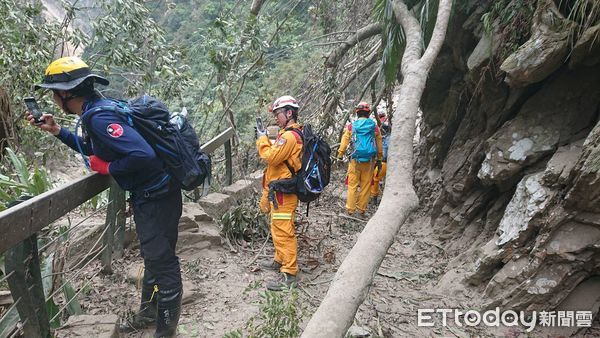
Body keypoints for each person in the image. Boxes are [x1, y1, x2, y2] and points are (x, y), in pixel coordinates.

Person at [25, 56, 182, 338]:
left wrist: (108, 168)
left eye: (52, 93)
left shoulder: (99, 117)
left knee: (163, 263)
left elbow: (142, 155)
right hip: (159, 194)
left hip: (156, 198)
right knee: (155, 257)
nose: (52, 99)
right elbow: (91, 150)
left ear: (64, 92)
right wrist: (58, 131)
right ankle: (149, 312)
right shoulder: (98, 109)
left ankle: (165, 332)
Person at [256, 95, 303, 291]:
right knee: (277, 227)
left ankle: (289, 274)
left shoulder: (289, 137)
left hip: (284, 192)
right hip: (279, 191)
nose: (276, 117)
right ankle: (279, 259)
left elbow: (271, 157)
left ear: (289, 113)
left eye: (278, 113)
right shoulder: (287, 134)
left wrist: (262, 139)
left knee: (284, 231)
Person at [336, 102, 383, 218]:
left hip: (355, 160)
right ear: (368, 113)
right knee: (366, 186)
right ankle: (361, 210)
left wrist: (340, 155)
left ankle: (350, 210)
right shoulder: (374, 126)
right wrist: (379, 158)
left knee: (352, 185)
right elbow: (379, 144)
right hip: (369, 161)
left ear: (357, 113)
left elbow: (345, 141)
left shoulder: (352, 126)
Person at [371, 118, 390, 200]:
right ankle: (373, 195)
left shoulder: (388, 139)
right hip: (378, 161)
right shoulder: (378, 138)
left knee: (375, 177)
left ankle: (374, 196)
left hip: (384, 162)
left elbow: (384, 153)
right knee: (374, 178)